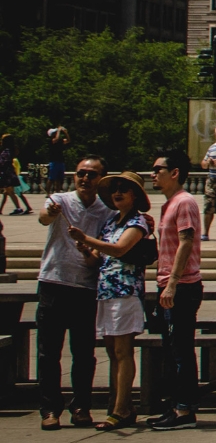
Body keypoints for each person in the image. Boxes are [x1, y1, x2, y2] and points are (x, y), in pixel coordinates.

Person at [67, 171, 153, 431]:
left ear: (134, 195)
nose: (117, 193)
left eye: (123, 189)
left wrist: (86, 239)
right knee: (112, 353)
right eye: (115, 188)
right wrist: (85, 250)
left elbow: (119, 250)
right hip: (106, 292)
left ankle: (121, 408)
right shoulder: (110, 223)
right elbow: (97, 259)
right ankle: (120, 405)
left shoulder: (138, 222)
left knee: (122, 352)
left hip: (125, 291)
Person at [35, 155, 112, 430]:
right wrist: (51, 212)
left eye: (92, 174)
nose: (85, 179)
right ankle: (49, 409)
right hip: (54, 282)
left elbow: (102, 255)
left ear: (101, 178)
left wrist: (89, 253)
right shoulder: (61, 200)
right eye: (81, 173)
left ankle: (81, 406)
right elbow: (44, 218)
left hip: (85, 287)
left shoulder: (107, 211)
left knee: (83, 353)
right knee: (48, 353)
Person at [148, 150, 203, 430]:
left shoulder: (184, 202)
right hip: (169, 284)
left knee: (180, 349)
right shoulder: (168, 204)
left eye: (158, 169)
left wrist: (172, 283)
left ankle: (184, 411)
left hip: (181, 286)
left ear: (175, 173)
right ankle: (175, 406)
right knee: (173, 350)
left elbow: (186, 241)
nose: (153, 174)